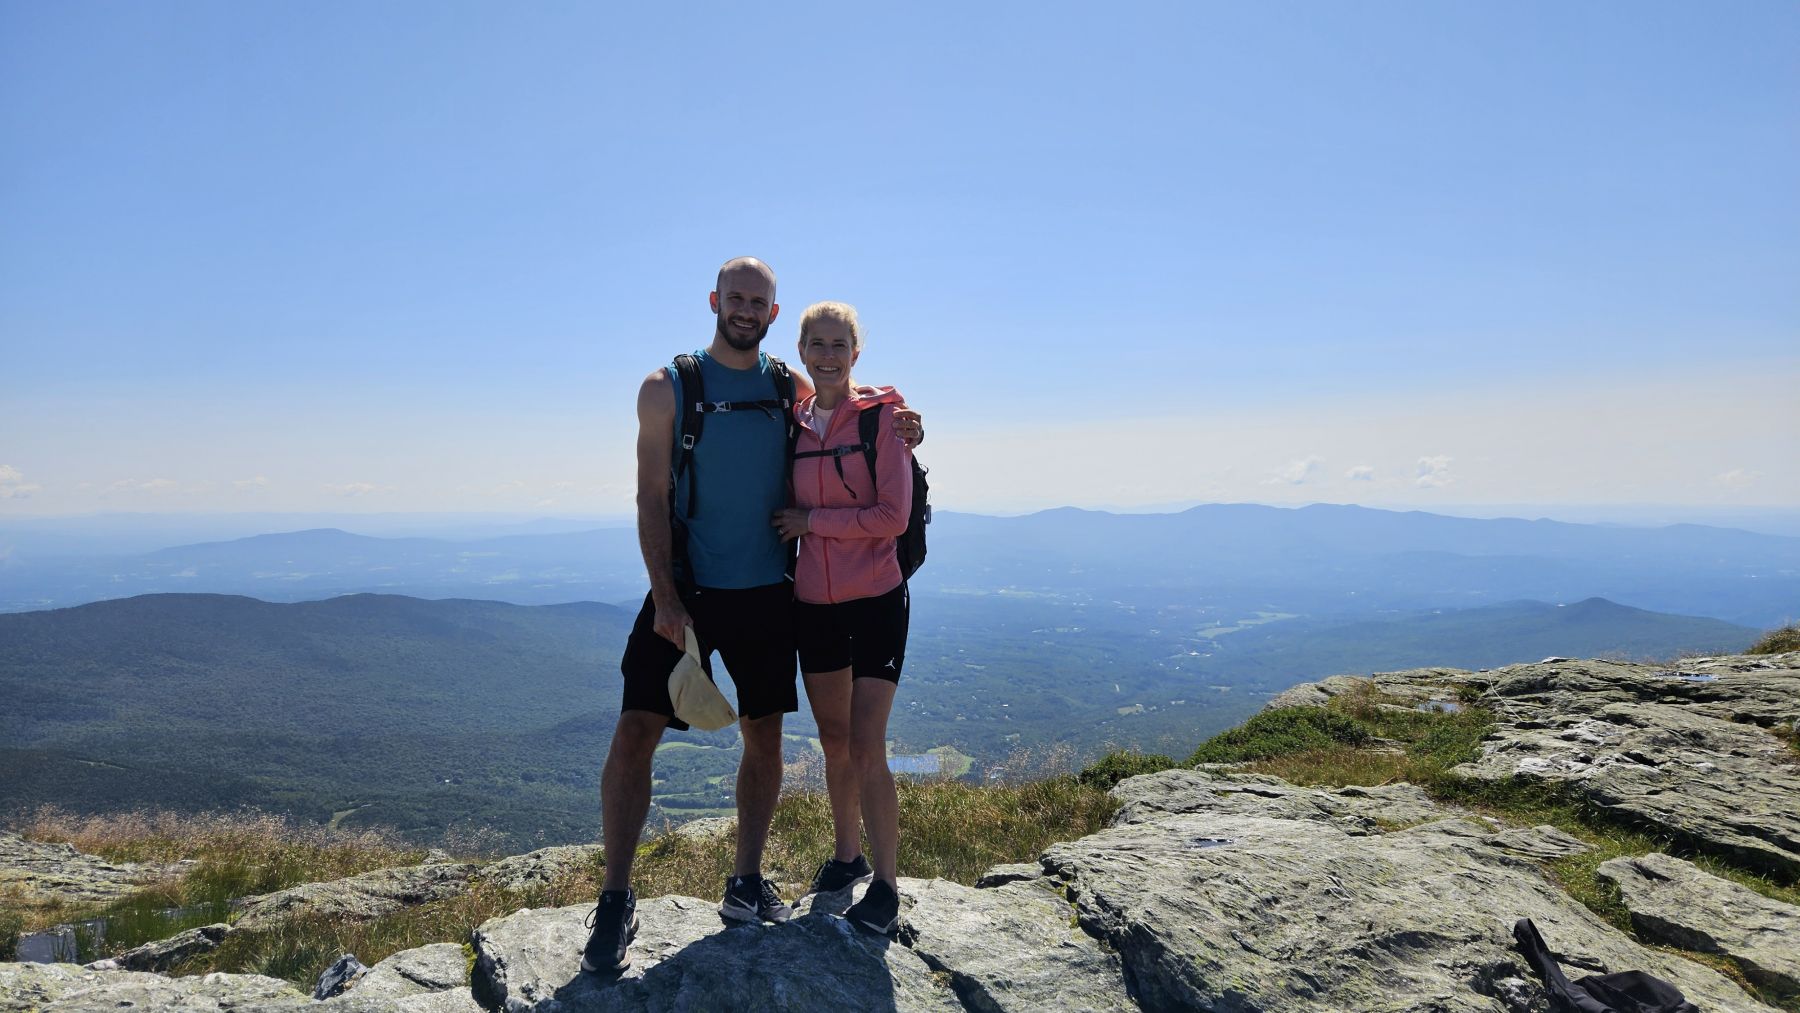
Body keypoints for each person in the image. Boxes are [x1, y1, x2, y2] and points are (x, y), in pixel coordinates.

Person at [582, 259, 920, 974]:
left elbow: (846, 399)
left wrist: (901, 419)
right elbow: (649, 496)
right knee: (635, 730)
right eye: (734, 298)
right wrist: (665, 596)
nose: (744, 309)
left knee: (763, 737)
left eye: (757, 301)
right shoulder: (668, 387)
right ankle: (614, 899)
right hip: (686, 589)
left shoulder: (785, 386)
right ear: (715, 301)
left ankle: (745, 881)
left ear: (773, 313)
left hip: (768, 591)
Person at [772, 301, 913, 936]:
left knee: (865, 743)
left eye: (839, 345)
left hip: (877, 597)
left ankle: (886, 884)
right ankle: (847, 856)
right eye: (817, 344)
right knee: (833, 741)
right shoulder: (794, 424)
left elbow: (893, 517)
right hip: (815, 604)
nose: (828, 356)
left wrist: (812, 522)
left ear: (856, 353)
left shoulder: (883, 419)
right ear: (802, 351)